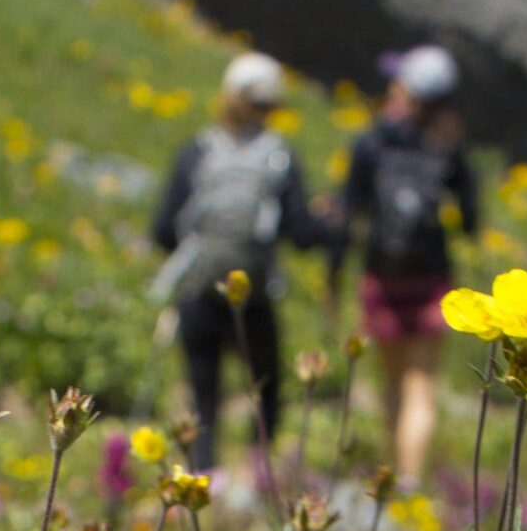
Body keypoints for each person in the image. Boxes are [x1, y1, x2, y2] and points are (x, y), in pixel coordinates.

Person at [151, 52, 333, 477]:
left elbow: (163, 230)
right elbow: (302, 234)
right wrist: (332, 225)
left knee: (203, 392)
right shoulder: (279, 157)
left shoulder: (196, 152)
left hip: (199, 290)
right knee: (266, 386)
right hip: (253, 297)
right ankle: (260, 475)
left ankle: (204, 479)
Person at [337, 45, 479, 487]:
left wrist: (333, 274)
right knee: (422, 387)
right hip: (432, 277)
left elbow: (347, 210)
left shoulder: (373, 141)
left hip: (382, 276)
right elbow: (471, 219)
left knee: (392, 384)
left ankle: (392, 476)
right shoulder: (448, 147)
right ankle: (413, 481)